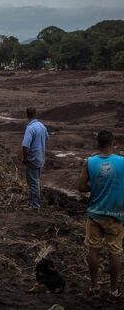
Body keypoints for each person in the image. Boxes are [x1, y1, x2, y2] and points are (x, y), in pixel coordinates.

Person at [77, 130, 124, 303]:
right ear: (113, 142)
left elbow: (81, 187)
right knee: (115, 252)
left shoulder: (89, 162)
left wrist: (95, 187)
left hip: (95, 214)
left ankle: (94, 286)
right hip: (116, 215)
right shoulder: (122, 162)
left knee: (93, 250)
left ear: (98, 143)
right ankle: (113, 290)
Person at [21, 107, 49, 210]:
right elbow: (47, 138)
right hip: (40, 157)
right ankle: (32, 203)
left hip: (32, 159)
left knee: (33, 183)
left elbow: (25, 146)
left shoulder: (30, 128)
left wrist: (25, 158)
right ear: (35, 114)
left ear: (27, 115)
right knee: (36, 181)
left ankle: (34, 206)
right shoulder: (42, 126)